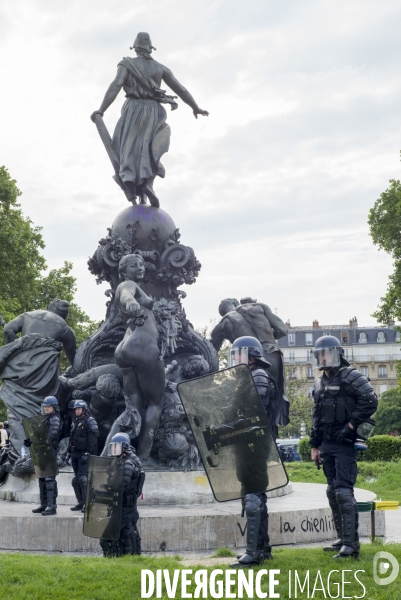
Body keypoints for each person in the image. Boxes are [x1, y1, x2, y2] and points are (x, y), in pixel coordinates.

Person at [91, 32, 208, 206]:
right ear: (150, 49)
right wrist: (195, 107)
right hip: (154, 111)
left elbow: (116, 85)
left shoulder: (126, 65)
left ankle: (132, 184)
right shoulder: (160, 68)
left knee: (129, 149)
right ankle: (146, 186)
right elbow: (181, 90)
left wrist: (101, 109)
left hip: (133, 110)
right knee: (149, 148)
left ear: (135, 48)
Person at [310, 335, 378, 559]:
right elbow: (317, 417)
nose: (323, 357)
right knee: (332, 491)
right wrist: (314, 445)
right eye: (320, 354)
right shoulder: (319, 383)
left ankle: (351, 546)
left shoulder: (351, 376)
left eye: (327, 353)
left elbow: (370, 400)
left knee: (342, 491)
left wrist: (350, 425)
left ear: (337, 354)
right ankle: (342, 538)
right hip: (327, 444)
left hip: (346, 443)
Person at [0, 298, 76, 465]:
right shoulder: (64, 327)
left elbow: (8, 330)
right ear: (64, 314)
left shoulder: (29, 315)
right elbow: (75, 362)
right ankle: (39, 453)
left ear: (49, 307)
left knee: (16, 407)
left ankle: (21, 454)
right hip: (46, 372)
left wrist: (18, 352)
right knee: (42, 410)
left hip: (20, 368)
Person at [228, 336, 279, 567]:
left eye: (239, 354)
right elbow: (235, 413)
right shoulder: (243, 378)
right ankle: (263, 549)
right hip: (246, 443)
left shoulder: (257, 376)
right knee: (255, 494)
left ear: (251, 355)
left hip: (254, 444)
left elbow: (255, 412)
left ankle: (253, 553)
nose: (235, 358)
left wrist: (232, 427)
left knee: (253, 497)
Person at [114, 253, 165, 461]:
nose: (140, 268)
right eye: (134, 265)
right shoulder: (127, 285)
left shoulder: (134, 286)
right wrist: (131, 303)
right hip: (143, 347)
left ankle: (118, 451)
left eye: (142, 264)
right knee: (155, 403)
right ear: (124, 271)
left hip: (125, 348)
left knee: (134, 407)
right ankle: (143, 456)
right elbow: (126, 293)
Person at [211, 297, 289, 426]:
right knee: (273, 402)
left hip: (249, 359)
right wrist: (267, 337)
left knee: (248, 403)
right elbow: (282, 330)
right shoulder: (259, 307)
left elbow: (212, 349)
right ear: (236, 303)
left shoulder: (224, 322)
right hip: (274, 355)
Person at [100, 432, 145, 557]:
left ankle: (119, 561)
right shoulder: (122, 461)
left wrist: (104, 491)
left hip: (124, 508)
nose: (113, 449)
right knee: (127, 537)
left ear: (124, 447)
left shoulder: (127, 464)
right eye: (112, 446)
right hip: (123, 508)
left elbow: (121, 486)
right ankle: (124, 561)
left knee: (122, 538)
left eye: (116, 446)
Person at [25, 396, 62, 516]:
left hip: (50, 452)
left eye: (48, 407)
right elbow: (37, 434)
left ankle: (51, 506)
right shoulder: (43, 419)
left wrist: (36, 441)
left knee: (49, 479)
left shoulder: (55, 419)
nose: (46, 409)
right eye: (45, 407)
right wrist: (29, 441)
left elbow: (51, 436)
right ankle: (44, 504)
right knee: (42, 478)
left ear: (54, 407)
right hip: (41, 452)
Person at [66, 400, 99, 513]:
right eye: (76, 409)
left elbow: (93, 439)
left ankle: (87, 503)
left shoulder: (89, 421)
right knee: (76, 480)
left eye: (79, 409)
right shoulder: (76, 422)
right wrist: (68, 453)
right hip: (75, 454)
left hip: (84, 454)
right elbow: (72, 439)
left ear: (84, 410)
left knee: (83, 479)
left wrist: (87, 453)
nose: (77, 410)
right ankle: (81, 502)